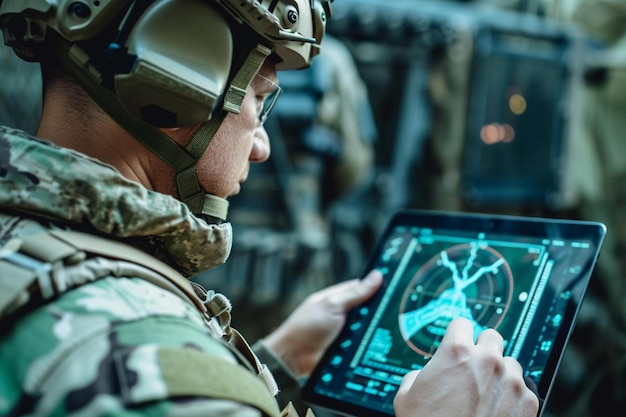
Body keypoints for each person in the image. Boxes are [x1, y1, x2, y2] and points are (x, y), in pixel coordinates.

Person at [0, 1, 539, 417]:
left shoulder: (33, 239)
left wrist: (274, 363)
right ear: (177, 80)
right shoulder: (154, 368)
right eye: (259, 99)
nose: (261, 146)